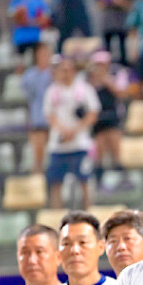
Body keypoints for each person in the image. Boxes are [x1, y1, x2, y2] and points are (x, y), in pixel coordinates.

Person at [43, 56, 100, 210]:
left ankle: (88, 214)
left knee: (85, 183)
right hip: (59, 145)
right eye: (62, 70)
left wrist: (75, 130)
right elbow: (50, 116)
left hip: (80, 144)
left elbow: (93, 114)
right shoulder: (52, 92)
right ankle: (56, 216)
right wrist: (63, 131)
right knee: (56, 184)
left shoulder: (85, 89)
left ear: (74, 71)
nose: (65, 73)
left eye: (68, 70)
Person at [87, 50, 127, 185]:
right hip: (97, 118)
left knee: (115, 146)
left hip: (112, 115)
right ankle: (99, 180)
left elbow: (120, 92)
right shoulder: (88, 79)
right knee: (99, 148)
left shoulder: (116, 74)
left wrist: (105, 79)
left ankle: (120, 180)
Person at [90, 0, 133, 66]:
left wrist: (120, 1)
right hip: (107, 24)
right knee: (107, 53)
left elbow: (131, 4)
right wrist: (104, 2)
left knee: (123, 53)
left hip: (121, 23)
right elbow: (99, 4)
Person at [21, 42, 53, 174]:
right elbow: (26, 91)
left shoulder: (55, 72)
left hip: (54, 118)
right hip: (38, 117)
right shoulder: (30, 75)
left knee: (54, 155)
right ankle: (37, 184)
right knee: (38, 156)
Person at [8, 0, 51, 72]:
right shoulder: (17, 1)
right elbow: (12, 16)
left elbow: (45, 18)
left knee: (37, 64)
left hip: (35, 37)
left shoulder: (40, 1)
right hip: (20, 39)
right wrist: (20, 16)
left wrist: (28, 21)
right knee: (20, 64)